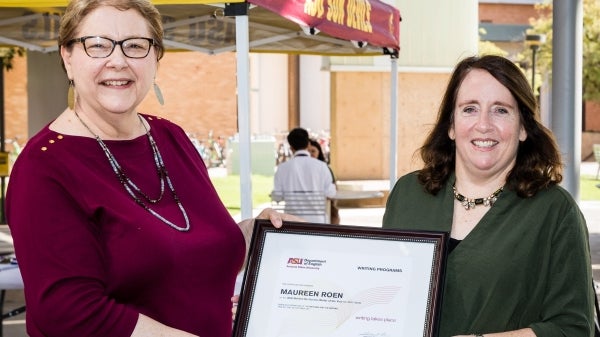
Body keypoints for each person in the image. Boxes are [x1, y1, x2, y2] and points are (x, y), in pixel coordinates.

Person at [4, 1, 297, 336]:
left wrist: (255, 233)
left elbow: (184, 249)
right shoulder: (44, 166)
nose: (118, 61)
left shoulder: (170, 137)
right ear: (68, 57)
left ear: (155, 58)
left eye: (135, 46)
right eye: (97, 45)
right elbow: (69, 312)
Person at [382, 55, 594, 336]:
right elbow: (381, 290)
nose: (483, 124)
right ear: (451, 125)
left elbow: (573, 328)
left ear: (522, 128)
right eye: (470, 109)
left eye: (501, 110)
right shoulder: (408, 194)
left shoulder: (554, 211)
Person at [271, 128, 336, 223]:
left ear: (291, 147)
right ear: (308, 144)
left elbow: (277, 196)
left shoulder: (282, 168)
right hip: (319, 222)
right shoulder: (322, 166)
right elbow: (331, 193)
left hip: (292, 223)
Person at [308, 138, 340, 224]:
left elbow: (333, 188)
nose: (310, 154)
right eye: (308, 151)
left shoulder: (325, 168)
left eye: (313, 151)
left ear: (319, 152)